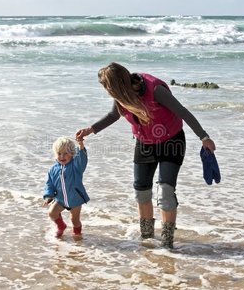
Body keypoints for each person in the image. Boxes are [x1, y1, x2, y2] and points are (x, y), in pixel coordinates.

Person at [76, 62, 216, 248]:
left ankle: (167, 243)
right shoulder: (122, 96)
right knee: (141, 192)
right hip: (145, 144)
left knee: (165, 192)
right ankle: (147, 240)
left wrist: (203, 136)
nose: (106, 91)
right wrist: (90, 130)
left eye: (106, 87)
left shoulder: (154, 89)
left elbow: (181, 111)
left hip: (171, 141)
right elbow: (113, 116)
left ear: (115, 85)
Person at [42, 136, 90, 239]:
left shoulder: (76, 166)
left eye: (66, 153)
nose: (62, 156)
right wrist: (48, 196)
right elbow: (49, 184)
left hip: (75, 200)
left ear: (72, 154)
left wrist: (81, 145)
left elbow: (82, 159)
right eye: (59, 154)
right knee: (52, 213)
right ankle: (61, 226)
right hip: (60, 200)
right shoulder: (53, 170)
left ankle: (77, 236)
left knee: (75, 220)